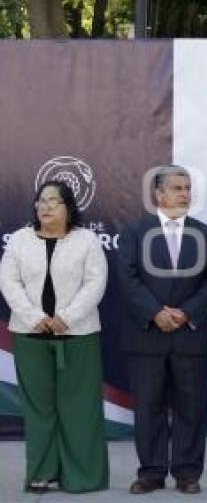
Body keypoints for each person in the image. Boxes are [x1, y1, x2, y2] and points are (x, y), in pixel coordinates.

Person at [118, 165, 207, 495]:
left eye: (188, 187)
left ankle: (188, 474)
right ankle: (151, 472)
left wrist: (185, 313)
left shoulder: (206, 235)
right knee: (149, 408)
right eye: (177, 188)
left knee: (192, 408)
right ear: (158, 194)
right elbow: (128, 277)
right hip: (146, 336)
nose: (185, 194)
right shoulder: (135, 232)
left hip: (189, 335)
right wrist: (155, 312)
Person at [0, 181, 109, 494]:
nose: (45, 206)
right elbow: (9, 282)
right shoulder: (20, 240)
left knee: (80, 409)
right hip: (29, 335)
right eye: (41, 201)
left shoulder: (86, 240)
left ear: (68, 207)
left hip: (78, 335)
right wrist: (36, 318)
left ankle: (82, 478)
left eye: (53, 201)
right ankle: (41, 473)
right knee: (39, 410)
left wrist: (66, 318)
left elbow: (95, 283)